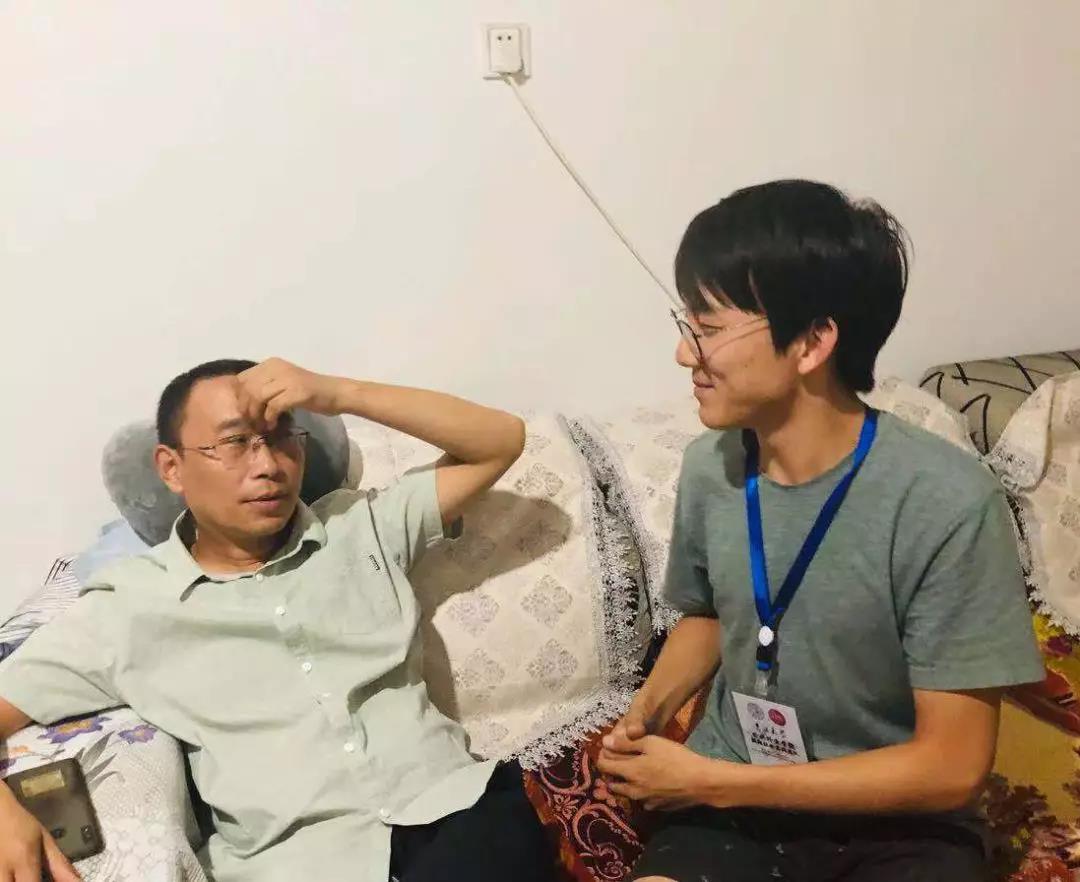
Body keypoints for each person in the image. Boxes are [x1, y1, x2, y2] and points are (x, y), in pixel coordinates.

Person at [596, 180, 1044, 882]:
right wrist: (646, 714)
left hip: (895, 821)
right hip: (734, 807)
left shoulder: (948, 502)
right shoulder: (712, 466)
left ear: (811, 342)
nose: (685, 354)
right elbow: (710, 613)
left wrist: (711, 782)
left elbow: (952, 767)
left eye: (707, 329)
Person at [0, 357, 552, 882]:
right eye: (235, 442)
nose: (267, 466)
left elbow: (500, 440)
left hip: (457, 818)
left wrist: (338, 393)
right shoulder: (127, 607)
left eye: (282, 436)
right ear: (172, 468)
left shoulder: (361, 526)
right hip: (294, 864)